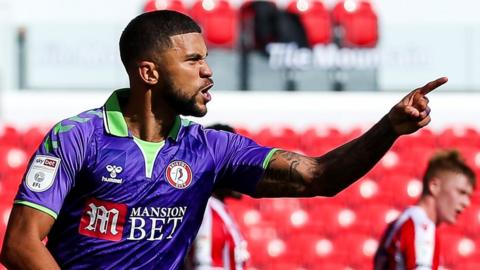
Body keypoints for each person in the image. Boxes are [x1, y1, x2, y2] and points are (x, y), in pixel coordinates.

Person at [0, 10, 447, 270]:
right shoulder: (77, 138)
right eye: (193, 60)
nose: (208, 71)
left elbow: (319, 176)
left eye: (207, 58)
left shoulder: (211, 149)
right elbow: (20, 244)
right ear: (149, 72)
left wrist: (389, 127)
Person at [374, 149, 476, 270]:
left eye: (468, 196)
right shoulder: (421, 227)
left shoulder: (402, 222)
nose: (466, 203)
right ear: (434, 186)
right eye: (461, 192)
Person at [185, 124, 250, 270]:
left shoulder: (218, 208)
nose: (244, 169)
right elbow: (203, 264)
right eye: (236, 162)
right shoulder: (203, 207)